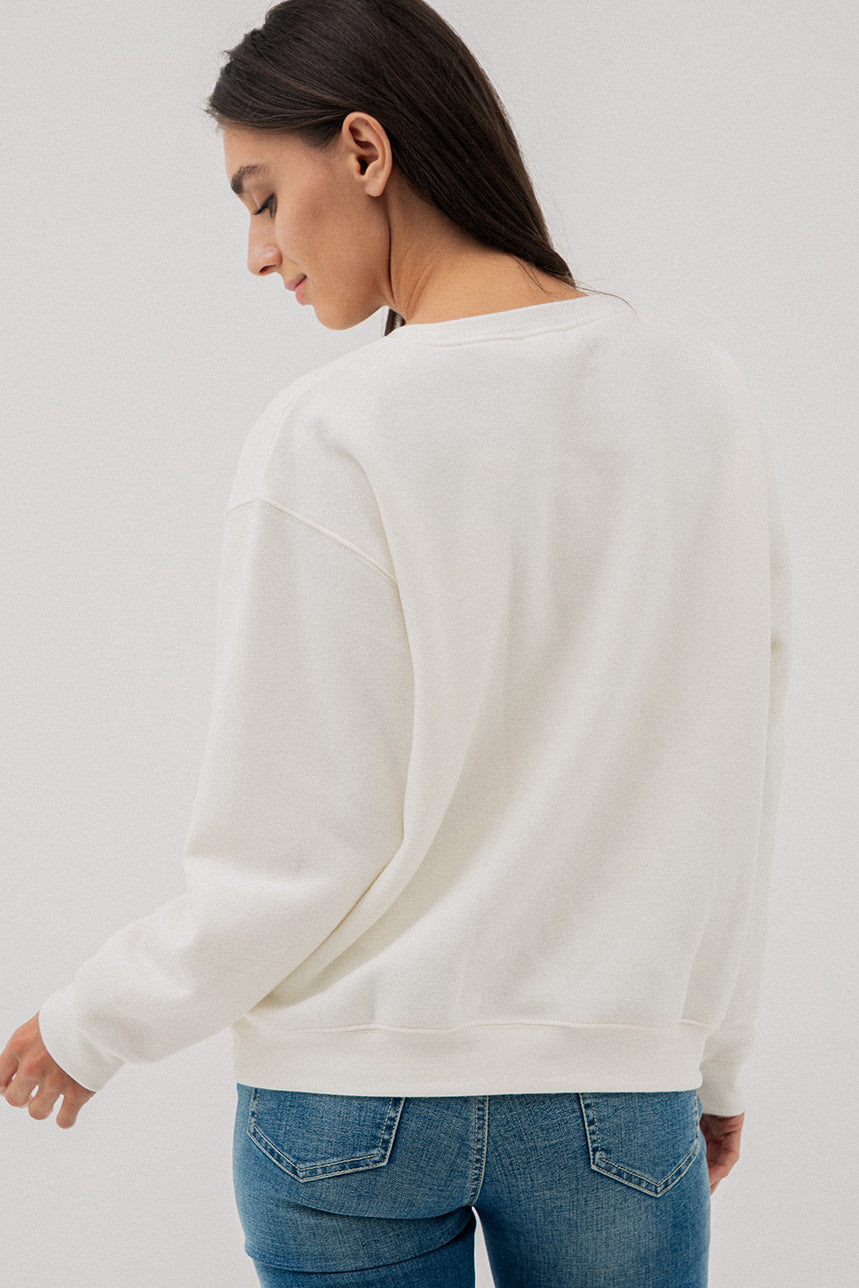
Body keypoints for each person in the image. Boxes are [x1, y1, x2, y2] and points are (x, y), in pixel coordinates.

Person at [1, 1, 790, 1284]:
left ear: (365, 150)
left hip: (344, 1107)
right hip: (614, 1094)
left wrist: (96, 1020)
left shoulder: (331, 429)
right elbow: (732, 770)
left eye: (264, 196)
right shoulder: (699, 393)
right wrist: (713, 1057)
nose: (258, 252)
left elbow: (293, 845)